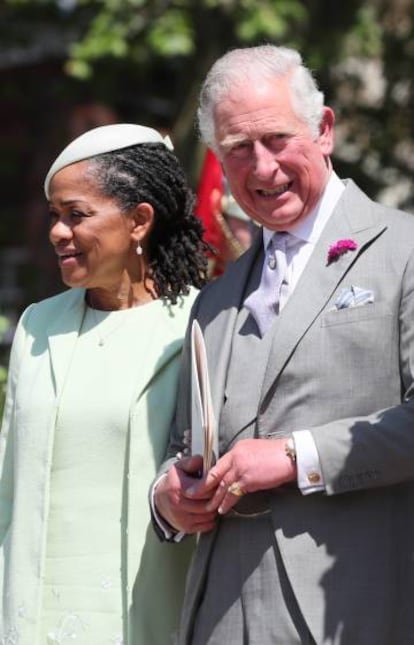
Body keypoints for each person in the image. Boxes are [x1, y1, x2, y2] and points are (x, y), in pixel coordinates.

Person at [152, 44, 414, 645]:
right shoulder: (213, 301)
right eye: (238, 149)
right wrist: (170, 497)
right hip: (219, 612)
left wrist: (296, 457)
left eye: (276, 139)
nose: (262, 168)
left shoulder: (404, 253)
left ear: (323, 131)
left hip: (355, 609)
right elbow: (181, 449)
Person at [0, 123, 209, 644]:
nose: (57, 232)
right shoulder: (36, 326)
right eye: (54, 216)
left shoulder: (201, 325)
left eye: (76, 215)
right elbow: (9, 486)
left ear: (139, 221)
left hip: (144, 622)